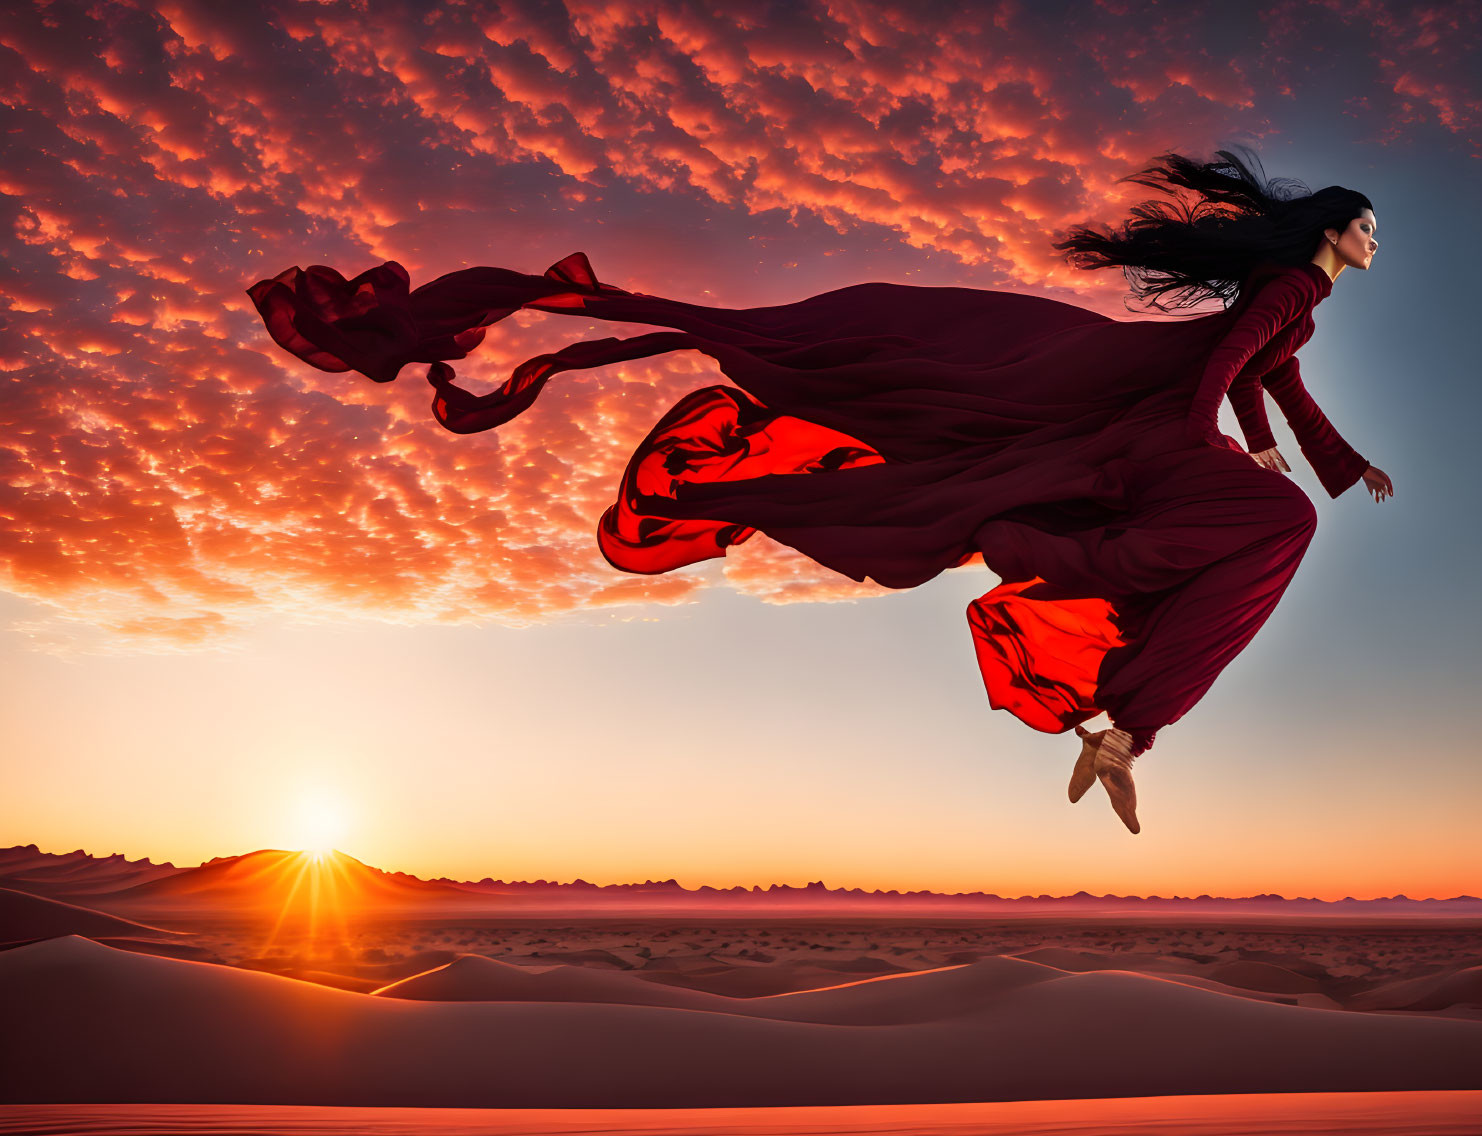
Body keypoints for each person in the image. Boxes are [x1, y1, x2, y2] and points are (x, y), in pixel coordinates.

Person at [247, 146, 1393, 835]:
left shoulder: (1295, 294)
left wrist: (1321, 462)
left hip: (1144, 420)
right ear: (1333, 230)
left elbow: (1268, 380)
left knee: (1265, 517)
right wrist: (1220, 448)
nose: (1374, 241)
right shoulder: (1290, 280)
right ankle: (1093, 640)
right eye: (1368, 226)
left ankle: (1115, 702)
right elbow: (1223, 365)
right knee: (1264, 527)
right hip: (1139, 414)